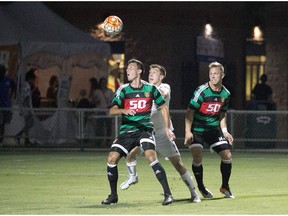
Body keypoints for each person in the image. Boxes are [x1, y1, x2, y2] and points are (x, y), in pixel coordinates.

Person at [120, 64, 201, 203]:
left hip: (163, 134)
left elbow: (162, 93)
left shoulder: (164, 87)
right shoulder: (144, 89)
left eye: (155, 72)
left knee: (178, 164)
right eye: (150, 72)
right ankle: (133, 177)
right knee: (130, 153)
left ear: (161, 76)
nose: (151, 74)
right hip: (147, 133)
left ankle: (194, 193)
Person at [101, 59, 174, 206]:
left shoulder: (150, 89)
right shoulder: (123, 89)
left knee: (150, 156)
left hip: (144, 130)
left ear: (139, 71)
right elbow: (112, 110)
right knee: (111, 159)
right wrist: (124, 110)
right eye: (127, 68)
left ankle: (168, 194)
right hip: (127, 131)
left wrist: (166, 128)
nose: (127, 70)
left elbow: (163, 107)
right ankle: (113, 195)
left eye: (131, 68)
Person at [184, 61, 235, 199]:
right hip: (197, 129)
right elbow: (190, 111)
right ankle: (201, 187)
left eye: (216, 74)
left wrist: (224, 130)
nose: (212, 76)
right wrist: (188, 132)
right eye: (211, 74)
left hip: (213, 130)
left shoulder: (226, 93)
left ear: (222, 75)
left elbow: (222, 113)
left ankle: (225, 187)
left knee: (227, 156)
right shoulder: (202, 91)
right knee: (197, 155)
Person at [17, 69, 37, 146]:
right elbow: (26, 97)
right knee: (29, 124)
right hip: (27, 108)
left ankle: (26, 139)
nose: (34, 82)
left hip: (26, 108)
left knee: (29, 124)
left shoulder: (26, 86)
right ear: (30, 79)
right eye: (33, 80)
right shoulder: (27, 86)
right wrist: (29, 108)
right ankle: (21, 136)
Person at [93, 77, 114, 146]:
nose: (103, 84)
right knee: (99, 127)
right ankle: (98, 141)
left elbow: (113, 100)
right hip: (100, 110)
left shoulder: (110, 91)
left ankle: (108, 141)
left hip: (108, 110)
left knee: (108, 126)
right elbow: (93, 100)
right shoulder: (97, 92)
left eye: (104, 82)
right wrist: (96, 100)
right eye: (102, 83)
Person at [0, 64, 16, 147]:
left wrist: (11, 95)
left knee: (3, 124)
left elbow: (15, 86)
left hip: (5, 106)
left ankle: (1, 141)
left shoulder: (8, 80)